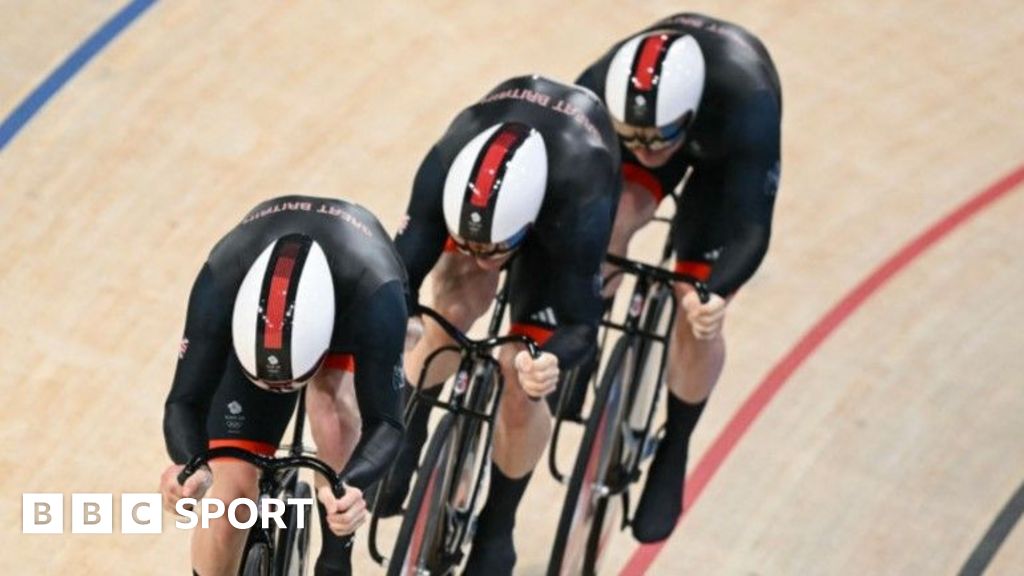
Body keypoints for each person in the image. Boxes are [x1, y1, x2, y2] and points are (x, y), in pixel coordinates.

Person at [375, 75, 621, 574]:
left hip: (566, 204)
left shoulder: (580, 191)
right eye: (473, 245)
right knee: (447, 310)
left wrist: (547, 363)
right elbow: (398, 276)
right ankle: (413, 417)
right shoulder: (448, 158)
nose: (484, 259)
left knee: (520, 371)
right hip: (486, 176)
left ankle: (497, 525)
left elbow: (580, 324)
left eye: (496, 250)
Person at [576, 12, 782, 543]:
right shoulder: (603, 86)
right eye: (636, 141)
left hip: (723, 159)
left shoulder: (747, 103)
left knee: (697, 302)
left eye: (656, 142)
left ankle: (675, 445)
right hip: (657, 120)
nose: (645, 154)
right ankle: (584, 335)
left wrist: (707, 298)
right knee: (612, 221)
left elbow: (751, 228)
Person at [159, 196, 409, 576]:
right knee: (230, 501)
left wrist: (352, 489)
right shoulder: (221, 281)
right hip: (259, 329)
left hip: (346, 311)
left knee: (334, 415)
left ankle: (336, 550)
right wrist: (192, 467)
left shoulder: (377, 295)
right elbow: (183, 401)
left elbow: (386, 422)